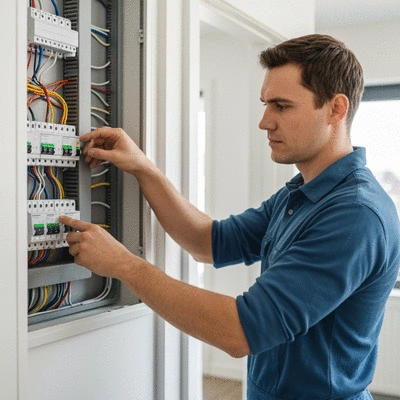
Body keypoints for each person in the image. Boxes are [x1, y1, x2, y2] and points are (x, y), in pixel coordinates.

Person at [60, 34, 400, 399]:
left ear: (335, 109)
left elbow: (239, 331)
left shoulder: (354, 215)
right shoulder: (301, 192)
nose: (265, 122)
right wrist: (145, 169)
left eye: (281, 106)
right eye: (265, 104)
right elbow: (207, 241)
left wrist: (125, 266)